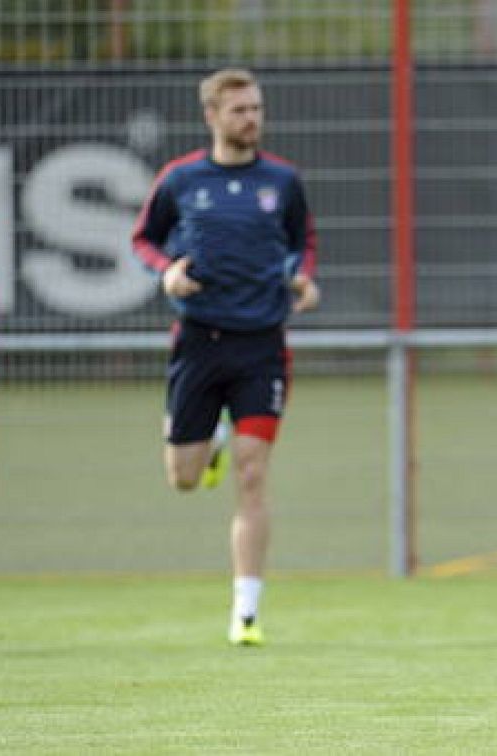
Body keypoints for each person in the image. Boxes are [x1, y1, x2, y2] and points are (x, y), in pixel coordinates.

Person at [131, 68, 320, 647]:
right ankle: (207, 440)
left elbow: (302, 242)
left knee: (253, 472)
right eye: (239, 110)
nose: (251, 119)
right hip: (198, 342)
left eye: (256, 108)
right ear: (211, 116)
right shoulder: (181, 179)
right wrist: (168, 272)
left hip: (262, 346)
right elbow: (143, 240)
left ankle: (246, 612)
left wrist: (302, 277)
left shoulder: (282, 181)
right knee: (184, 478)